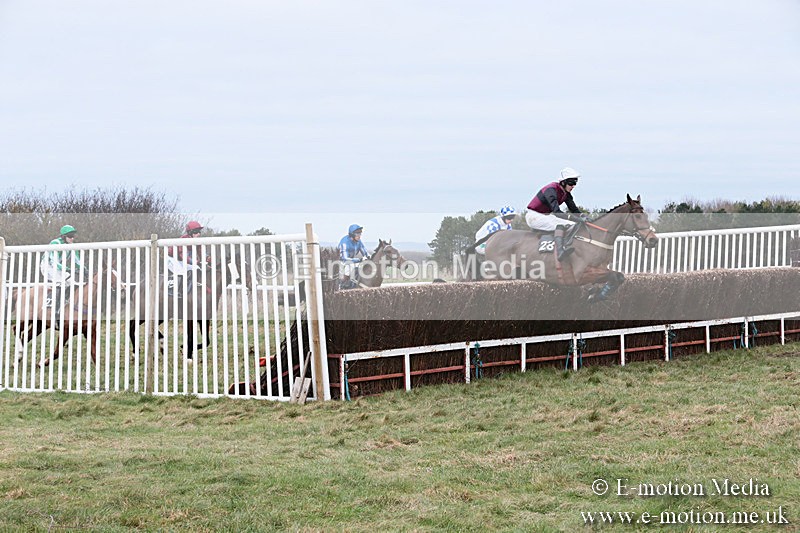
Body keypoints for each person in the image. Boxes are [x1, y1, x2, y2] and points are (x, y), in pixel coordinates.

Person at [526, 167, 588, 261]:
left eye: (575, 183)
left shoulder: (566, 193)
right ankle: (560, 251)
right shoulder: (551, 190)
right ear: (563, 182)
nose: (573, 186)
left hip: (545, 216)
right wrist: (575, 218)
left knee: (573, 224)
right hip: (534, 216)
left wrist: (583, 216)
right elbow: (557, 212)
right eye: (571, 183)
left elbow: (574, 209)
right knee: (564, 224)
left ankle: (565, 244)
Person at [40, 224, 86, 319]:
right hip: (47, 266)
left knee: (72, 282)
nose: (72, 238)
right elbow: (54, 262)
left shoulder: (71, 246)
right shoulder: (55, 243)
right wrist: (67, 269)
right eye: (70, 236)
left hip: (58, 267)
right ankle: (55, 307)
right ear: (64, 236)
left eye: (73, 236)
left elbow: (78, 261)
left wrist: (85, 270)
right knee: (61, 282)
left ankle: (66, 302)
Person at [167, 221, 205, 290]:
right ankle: (176, 289)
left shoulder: (197, 241)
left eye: (199, 232)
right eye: (196, 232)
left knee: (197, 268)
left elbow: (201, 253)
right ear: (190, 232)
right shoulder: (183, 240)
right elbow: (183, 256)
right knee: (181, 272)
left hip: (180, 260)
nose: (198, 234)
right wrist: (195, 262)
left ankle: (191, 286)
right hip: (171, 259)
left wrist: (207, 258)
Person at [337, 224, 369, 289]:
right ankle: (341, 285)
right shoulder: (344, 242)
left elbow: (364, 251)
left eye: (360, 233)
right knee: (349, 268)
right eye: (358, 234)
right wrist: (360, 259)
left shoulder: (358, 241)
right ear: (352, 234)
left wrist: (369, 257)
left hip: (351, 260)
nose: (359, 235)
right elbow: (345, 259)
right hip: (341, 261)